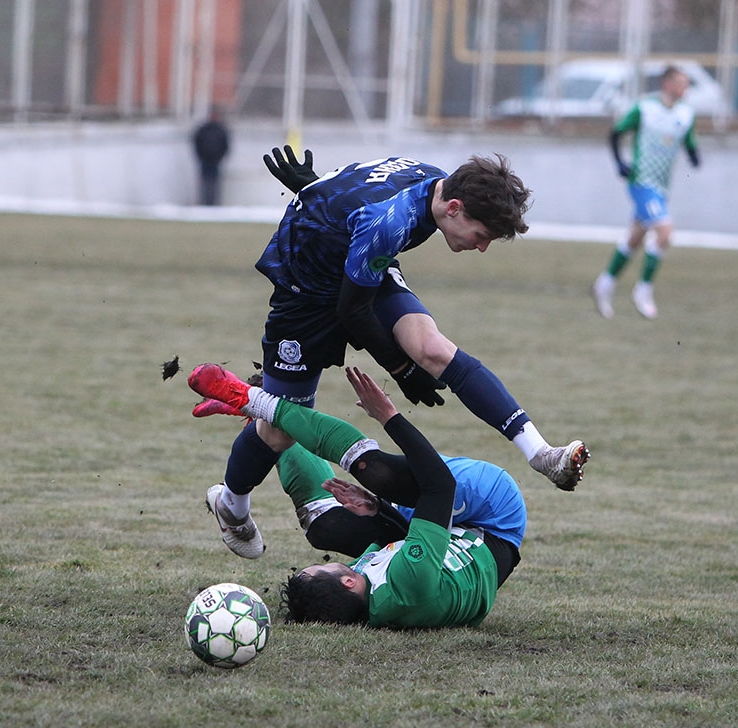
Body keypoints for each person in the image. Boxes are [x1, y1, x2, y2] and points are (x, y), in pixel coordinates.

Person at [201, 148, 589, 559]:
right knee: (281, 429)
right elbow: (353, 311)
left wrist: (318, 195)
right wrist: (402, 369)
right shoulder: (388, 223)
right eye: (482, 235)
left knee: (432, 349)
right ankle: (232, 504)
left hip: (364, 263)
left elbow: (361, 191)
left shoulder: (431, 183)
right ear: (454, 208)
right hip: (307, 293)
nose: (482, 247)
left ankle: (540, 453)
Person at [189, 362, 527, 628]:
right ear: (349, 582)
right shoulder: (410, 584)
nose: (338, 563)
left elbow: (401, 544)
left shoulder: (361, 598)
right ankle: (251, 398)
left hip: (443, 540)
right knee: (376, 472)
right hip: (493, 516)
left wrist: (377, 510)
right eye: (326, 567)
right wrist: (388, 416)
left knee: (324, 526)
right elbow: (440, 486)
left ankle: (264, 421)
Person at [591, 65, 700, 320]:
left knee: (636, 238)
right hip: (642, 182)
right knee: (665, 232)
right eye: (681, 82)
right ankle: (643, 290)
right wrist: (620, 163)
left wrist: (694, 155)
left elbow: (688, 139)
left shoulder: (686, 113)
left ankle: (604, 284)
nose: (685, 88)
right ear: (668, 84)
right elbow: (616, 132)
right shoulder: (645, 108)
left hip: (662, 186)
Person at [191, 110, 230, 206]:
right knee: (205, 182)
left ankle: (212, 202)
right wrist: (200, 156)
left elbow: (225, 145)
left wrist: (219, 157)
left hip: (215, 161)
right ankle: (204, 202)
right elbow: (197, 143)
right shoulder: (204, 130)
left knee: (214, 183)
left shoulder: (220, 130)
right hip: (205, 160)